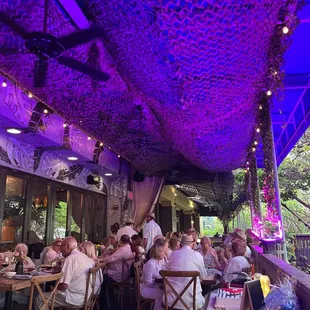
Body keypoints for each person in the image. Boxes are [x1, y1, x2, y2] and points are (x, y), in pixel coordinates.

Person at [34, 236, 95, 310]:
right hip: (87, 297)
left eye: (61, 246)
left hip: (72, 298)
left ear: (67, 246)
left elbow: (64, 285)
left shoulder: (70, 259)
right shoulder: (85, 257)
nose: (60, 249)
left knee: (39, 298)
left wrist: (53, 289)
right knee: (49, 295)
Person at [165, 235, 208, 309]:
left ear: (181, 244)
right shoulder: (198, 255)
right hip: (193, 302)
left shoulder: (173, 254)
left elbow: (167, 271)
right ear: (193, 244)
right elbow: (203, 276)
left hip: (171, 301)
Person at [99, 235, 134, 309]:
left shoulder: (122, 250)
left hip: (116, 276)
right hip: (124, 274)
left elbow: (111, 259)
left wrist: (100, 260)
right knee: (102, 278)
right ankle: (108, 301)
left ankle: (106, 304)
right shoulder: (128, 248)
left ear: (121, 241)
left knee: (100, 280)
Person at [141, 244, 166, 310]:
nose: (164, 253)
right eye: (162, 252)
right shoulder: (150, 264)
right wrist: (159, 285)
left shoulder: (159, 261)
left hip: (155, 286)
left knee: (167, 291)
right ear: (157, 252)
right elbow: (147, 282)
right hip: (147, 289)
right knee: (164, 294)